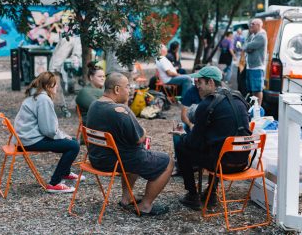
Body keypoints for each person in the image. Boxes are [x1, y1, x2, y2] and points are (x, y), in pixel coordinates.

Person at [86, 72, 174, 216]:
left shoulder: (94, 105)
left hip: (96, 158)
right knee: (168, 162)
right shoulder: (120, 111)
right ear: (116, 90)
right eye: (127, 87)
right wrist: (144, 130)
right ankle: (145, 206)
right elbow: (139, 137)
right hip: (115, 161)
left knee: (134, 150)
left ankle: (127, 198)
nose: (130, 90)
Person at [174, 66, 251, 210]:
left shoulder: (207, 104)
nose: (197, 87)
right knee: (218, 144)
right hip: (243, 162)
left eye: (200, 82)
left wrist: (183, 136)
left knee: (181, 147)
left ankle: (192, 195)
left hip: (222, 166)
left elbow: (193, 142)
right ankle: (211, 192)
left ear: (210, 83)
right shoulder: (239, 99)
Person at [14, 72, 82, 193]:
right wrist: (63, 136)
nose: (57, 88)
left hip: (24, 138)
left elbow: (47, 129)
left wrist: (63, 135)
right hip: (30, 140)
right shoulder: (43, 99)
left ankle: (65, 172)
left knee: (71, 140)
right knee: (73, 145)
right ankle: (55, 183)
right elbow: (48, 130)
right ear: (49, 85)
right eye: (55, 85)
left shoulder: (35, 95)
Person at [49, 34, 82, 118]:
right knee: (57, 87)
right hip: (56, 69)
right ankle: (62, 107)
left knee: (58, 87)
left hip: (57, 68)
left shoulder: (71, 39)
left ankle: (62, 107)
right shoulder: (70, 39)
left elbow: (75, 55)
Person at [243, 18, 267, 105]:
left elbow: (248, 46)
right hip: (251, 66)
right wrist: (247, 47)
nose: (251, 25)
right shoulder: (253, 35)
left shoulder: (261, 36)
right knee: (253, 89)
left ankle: (258, 107)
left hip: (257, 67)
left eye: (253, 24)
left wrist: (247, 47)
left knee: (257, 89)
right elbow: (246, 46)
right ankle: (254, 106)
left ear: (258, 25)